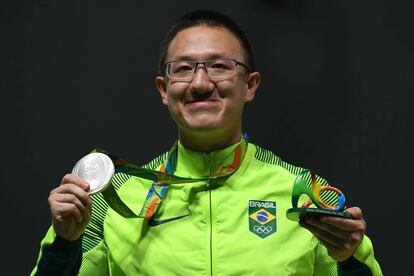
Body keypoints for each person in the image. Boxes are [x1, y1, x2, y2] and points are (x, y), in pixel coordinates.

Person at [31, 9, 382, 275]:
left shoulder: (304, 195)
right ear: (164, 90)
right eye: (183, 69)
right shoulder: (111, 200)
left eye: (219, 66)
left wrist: (350, 260)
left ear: (251, 85)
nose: (200, 83)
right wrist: (65, 244)